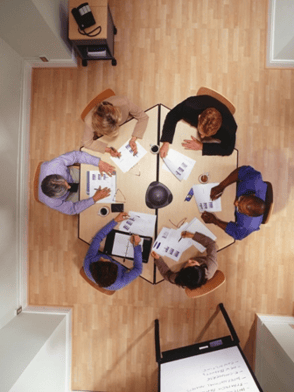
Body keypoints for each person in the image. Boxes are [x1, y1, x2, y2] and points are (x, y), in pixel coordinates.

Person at [201, 166, 267, 241]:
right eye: (241, 199)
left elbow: (237, 234)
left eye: (240, 209)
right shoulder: (254, 179)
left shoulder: (249, 225)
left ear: (249, 215)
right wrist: (221, 186)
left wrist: (215, 221)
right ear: (252, 195)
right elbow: (241, 171)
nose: (235, 203)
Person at [39, 150, 115, 215]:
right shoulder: (52, 202)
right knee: (94, 206)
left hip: (70, 176)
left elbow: (77, 156)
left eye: (66, 183)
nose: (69, 187)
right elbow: (73, 209)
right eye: (66, 189)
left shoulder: (55, 165)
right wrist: (94, 199)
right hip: (69, 196)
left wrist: (99, 163)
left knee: (95, 171)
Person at [159, 95, 237, 158]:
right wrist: (166, 142)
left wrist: (202, 146)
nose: (202, 137)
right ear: (199, 117)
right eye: (201, 132)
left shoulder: (230, 128)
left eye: (206, 135)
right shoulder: (190, 106)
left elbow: (228, 149)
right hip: (201, 103)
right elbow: (173, 115)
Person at [83, 212, 143, 290]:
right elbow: (138, 269)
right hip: (123, 260)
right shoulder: (120, 282)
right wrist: (137, 245)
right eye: (106, 260)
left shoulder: (88, 262)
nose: (101, 258)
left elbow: (97, 238)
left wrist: (115, 221)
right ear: (115, 269)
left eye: (100, 260)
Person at [82, 95, 149, 156]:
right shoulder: (89, 122)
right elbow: (87, 143)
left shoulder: (124, 102)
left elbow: (143, 117)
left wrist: (133, 139)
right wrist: (109, 150)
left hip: (126, 125)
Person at [151, 231, 217, 289]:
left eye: (189, 263)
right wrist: (193, 236)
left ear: (182, 272)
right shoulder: (211, 265)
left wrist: (158, 260)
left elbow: (166, 274)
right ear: (201, 267)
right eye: (193, 262)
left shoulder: (179, 278)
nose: (189, 260)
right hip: (200, 255)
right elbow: (211, 244)